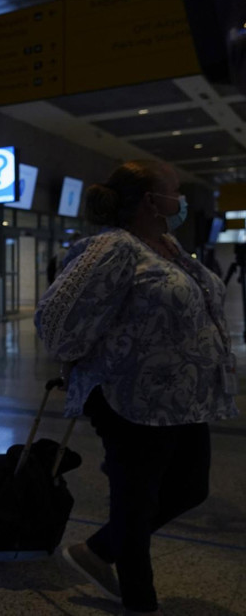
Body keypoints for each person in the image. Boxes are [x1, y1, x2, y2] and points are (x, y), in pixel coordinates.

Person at [35, 160, 238, 616]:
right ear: (150, 200)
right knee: (136, 499)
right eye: (175, 190)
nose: (181, 198)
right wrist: (91, 360)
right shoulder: (112, 248)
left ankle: (98, 551)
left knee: (189, 488)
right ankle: (140, 603)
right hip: (130, 399)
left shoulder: (167, 245)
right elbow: (57, 318)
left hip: (181, 399)